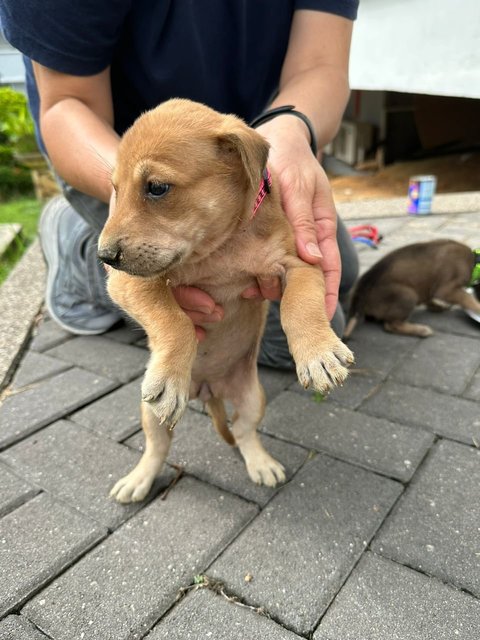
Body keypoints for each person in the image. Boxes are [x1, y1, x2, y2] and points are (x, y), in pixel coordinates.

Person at [0, 0, 359, 369]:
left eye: (155, 189)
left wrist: (290, 126)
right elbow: (65, 103)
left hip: (239, 146)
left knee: (340, 278)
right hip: (106, 145)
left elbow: (320, 66)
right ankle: (79, 246)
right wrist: (129, 186)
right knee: (131, 259)